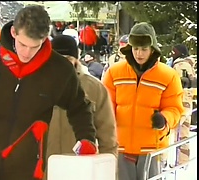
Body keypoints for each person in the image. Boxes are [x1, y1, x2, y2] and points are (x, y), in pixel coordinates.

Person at [0, 5, 97, 180]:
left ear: (44, 39)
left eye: (35, 46)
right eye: (23, 44)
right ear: (13, 32)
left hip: (28, 171)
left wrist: (86, 138)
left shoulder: (58, 70)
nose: (27, 53)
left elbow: (79, 107)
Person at [102, 22, 185, 180]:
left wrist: (164, 118)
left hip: (151, 149)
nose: (139, 53)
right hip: (120, 147)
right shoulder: (114, 72)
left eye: (144, 49)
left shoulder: (168, 76)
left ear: (152, 49)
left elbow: (175, 108)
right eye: (135, 48)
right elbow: (105, 108)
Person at [42, 34, 118, 180]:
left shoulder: (94, 89)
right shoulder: (36, 87)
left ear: (76, 60)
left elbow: (108, 138)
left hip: (81, 172)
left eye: (68, 60)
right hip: (44, 172)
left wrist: (108, 172)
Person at [168, 44, 197, 166]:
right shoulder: (187, 64)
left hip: (181, 101)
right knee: (183, 132)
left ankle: (178, 163)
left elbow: (180, 83)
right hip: (187, 100)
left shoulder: (180, 65)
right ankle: (182, 161)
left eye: (174, 51)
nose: (172, 54)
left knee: (178, 132)